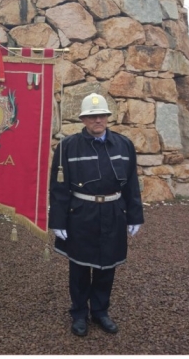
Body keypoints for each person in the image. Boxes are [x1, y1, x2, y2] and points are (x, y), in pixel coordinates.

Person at [48, 92, 144, 337]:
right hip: (81, 214)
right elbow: (59, 188)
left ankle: (100, 312)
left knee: (106, 266)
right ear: (83, 119)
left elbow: (132, 184)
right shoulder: (67, 147)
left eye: (101, 115)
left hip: (114, 213)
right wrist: (58, 221)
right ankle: (79, 313)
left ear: (108, 117)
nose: (97, 120)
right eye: (91, 116)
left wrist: (135, 216)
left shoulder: (124, 145)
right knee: (79, 268)